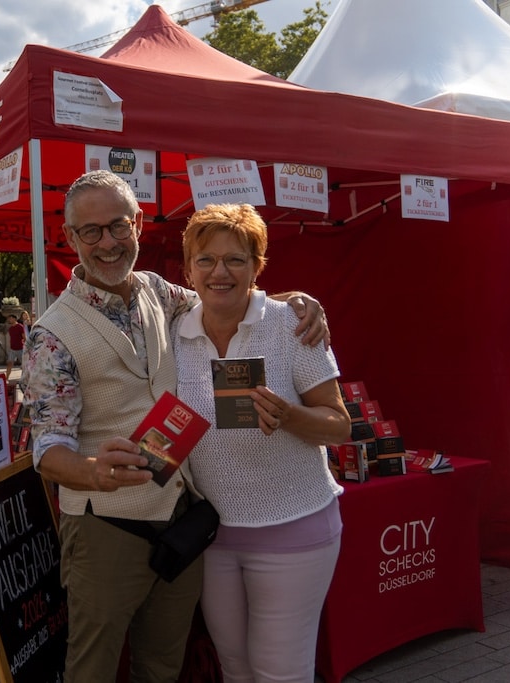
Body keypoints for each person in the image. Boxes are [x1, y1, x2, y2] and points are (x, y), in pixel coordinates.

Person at [22, 170, 328, 681]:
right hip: (107, 529)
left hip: (180, 518)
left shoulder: (157, 292)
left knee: (164, 664)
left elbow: (226, 296)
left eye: (117, 226)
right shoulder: (51, 334)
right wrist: (94, 470)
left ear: (138, 224)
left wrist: (292, 301)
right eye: (90, 232)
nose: (107, 243)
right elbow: (47, 447)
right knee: (93, 668)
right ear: (70, 239)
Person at [173, 204, 350, 683]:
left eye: (236, 259)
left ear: (257, 266)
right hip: (213, 537)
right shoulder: (174, 333)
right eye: (205, 259)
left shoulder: (290, 326)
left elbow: (339, 424)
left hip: (293, 529)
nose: (220, 272)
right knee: (234, 669)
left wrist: (291, 417)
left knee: (280, 674)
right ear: (188, 269)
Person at [4, 313, 25, 379]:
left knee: (24, 364)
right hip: (12, 349)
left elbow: (24, 337)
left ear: (14, 319)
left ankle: (25, 378)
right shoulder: (10, 329)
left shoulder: (20, 326)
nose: (9, 320)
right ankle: (6, 378)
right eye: (9, 319)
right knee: (9, 363)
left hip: (20, 348)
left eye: (11, 318)